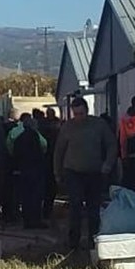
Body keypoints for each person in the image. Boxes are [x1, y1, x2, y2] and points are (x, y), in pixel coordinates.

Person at [54, 97, 117, 251]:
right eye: (75, 114)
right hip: (73, 172)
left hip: (94, 172)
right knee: (75, 206)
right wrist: (57, 172)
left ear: (87, 111)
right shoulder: (67, 127)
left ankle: (93, 240)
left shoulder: (98, 125)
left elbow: (111, 145)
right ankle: (73, 242)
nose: (78, 117)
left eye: (81, 113)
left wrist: (107, 165)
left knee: (93, 208)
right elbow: (59, 151)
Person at [8, 113, 47, 229]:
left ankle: (27, 220)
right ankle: (35, 220)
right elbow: (43, 148)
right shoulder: (35, 137)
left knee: (25, 197)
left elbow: (14, 153)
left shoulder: (19, 138)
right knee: (36, 196)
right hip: (35, 170)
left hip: (23, 171)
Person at [37, 107, 61, 220]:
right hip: (49, 158)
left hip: (48, 158)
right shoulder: (56, 125)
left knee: (48, 187)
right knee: (50, 187)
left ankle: (46, 210)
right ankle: (47, 210)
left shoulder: (43, 126)